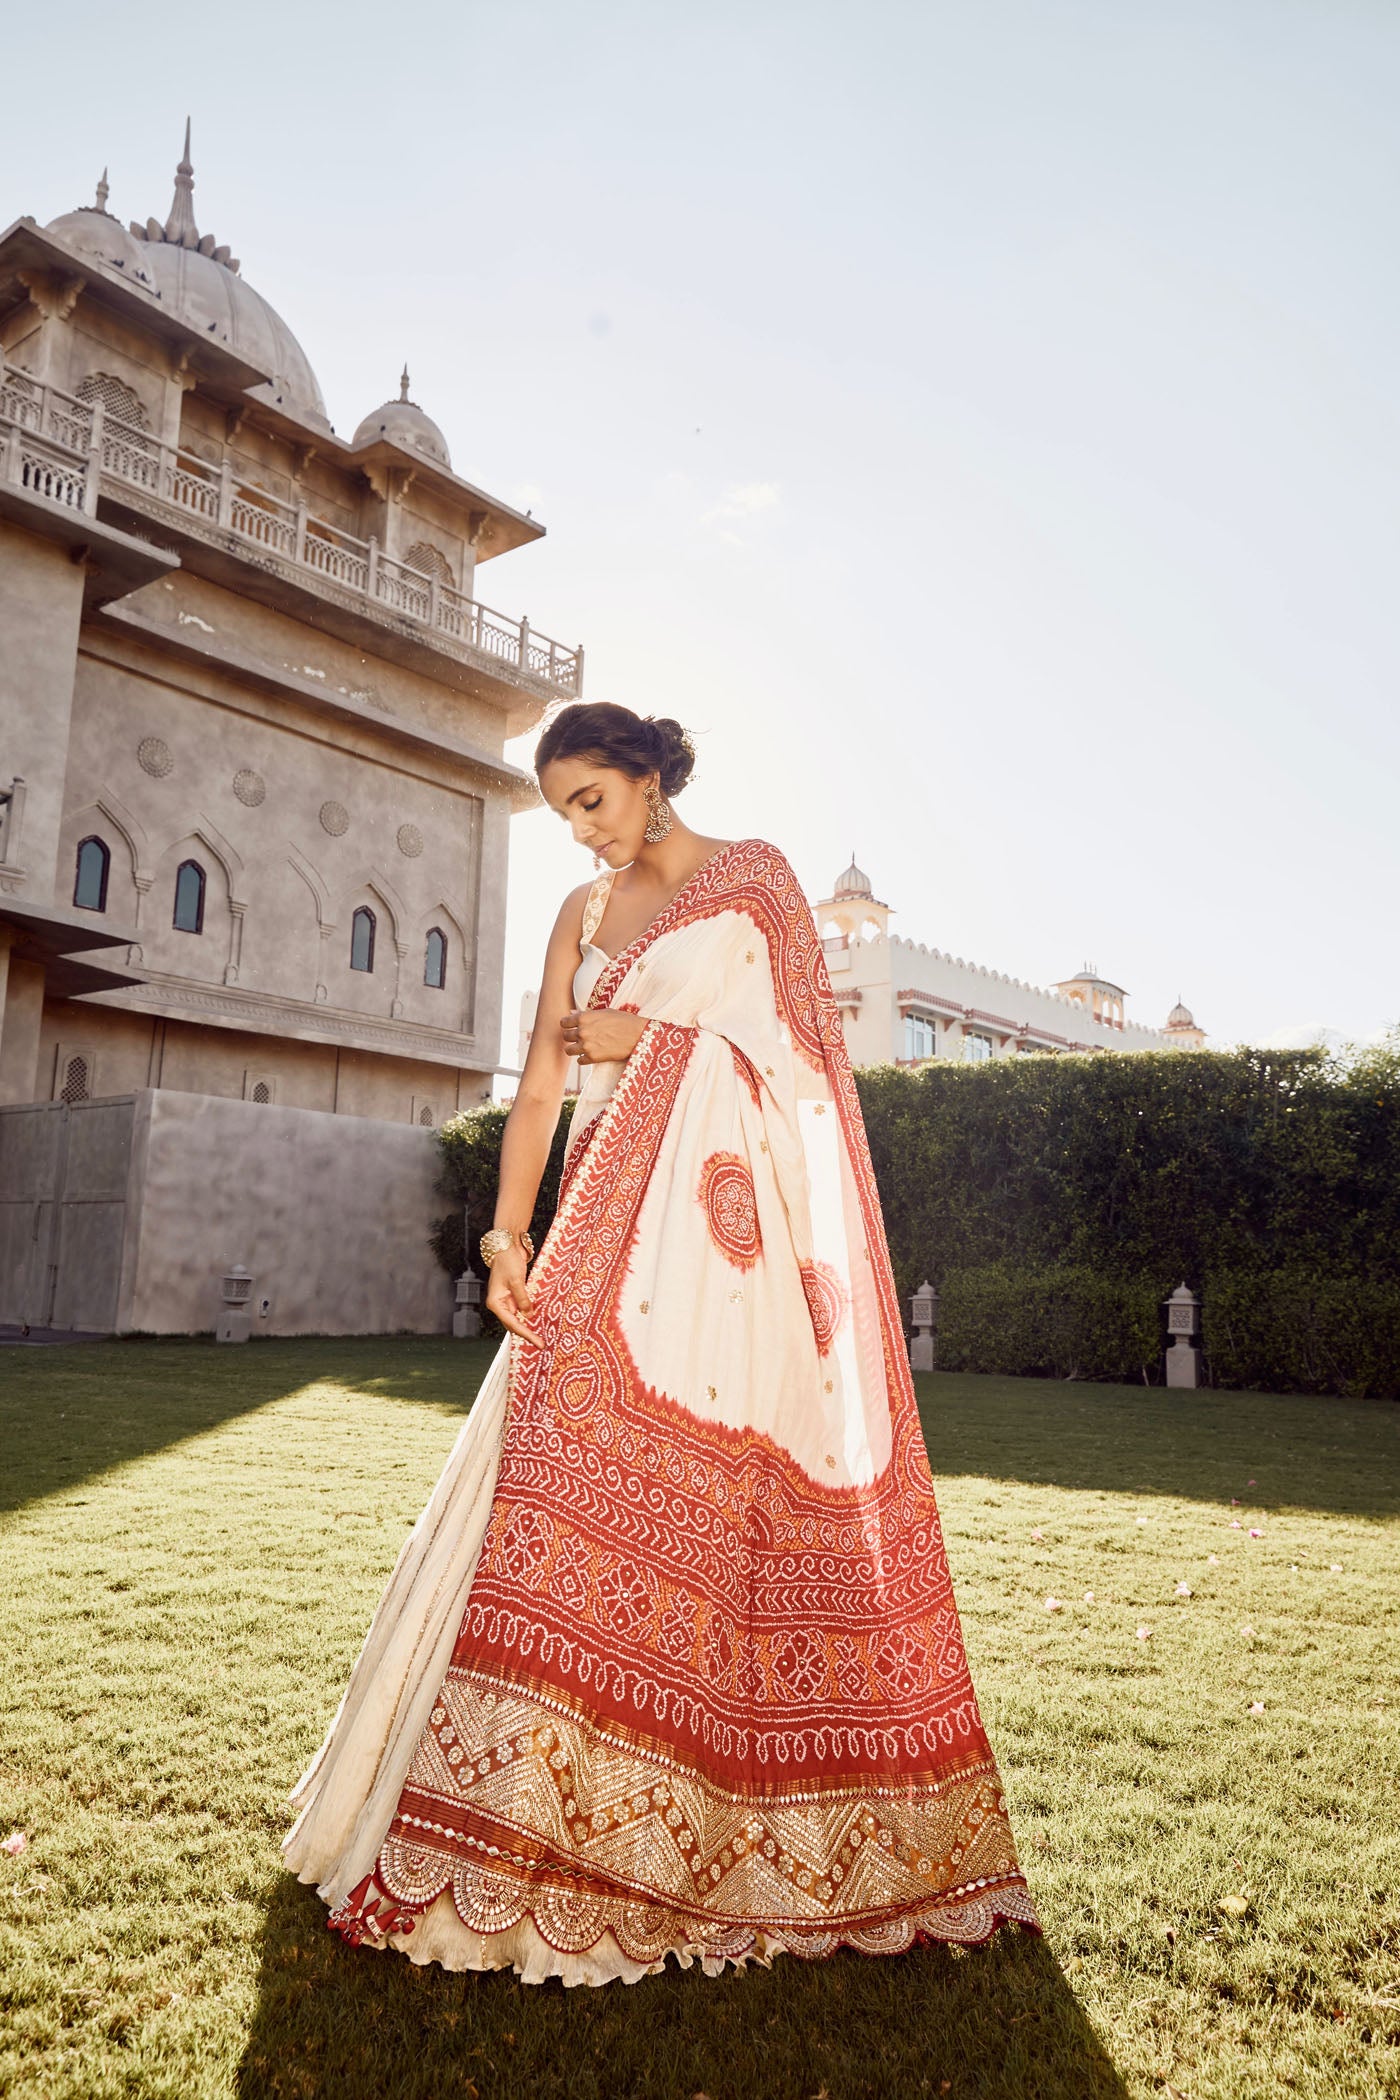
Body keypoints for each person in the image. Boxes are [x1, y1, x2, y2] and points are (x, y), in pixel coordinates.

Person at [284, 701, 1038, 1984]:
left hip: (723, 1266)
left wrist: (665, 1042)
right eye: (563, 810)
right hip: (594, 1242)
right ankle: (502, 1823)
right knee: (542, 1482)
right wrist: (505, 1233)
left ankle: (684, 1831)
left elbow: (811, 1078)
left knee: (715, 1527)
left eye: (593, 799)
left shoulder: (754, 884)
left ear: (649, 777)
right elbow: (537, 1082)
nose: (582, 831)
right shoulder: (581, 918)